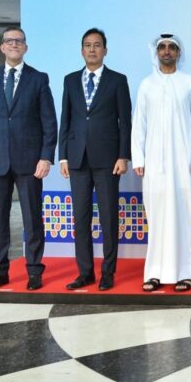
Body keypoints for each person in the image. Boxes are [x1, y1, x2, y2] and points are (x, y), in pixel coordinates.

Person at [0, 26, 57, 291]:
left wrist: (46, 157)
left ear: (25, 47)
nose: (14, 44)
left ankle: (34, 271)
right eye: (9, 41)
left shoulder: (38, 79)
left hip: (30, 162)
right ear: (2, 47)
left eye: (19, 41)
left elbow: (49, 122)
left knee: (33, 218)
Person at [131, 34, 191, 292]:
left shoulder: (190, 83)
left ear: (178, 53)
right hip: (153, 165)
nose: (166, 51)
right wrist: (139, 157)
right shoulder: (147, 85)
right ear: (157, 52)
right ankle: (154, 273)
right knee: (156, 217)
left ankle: (184, 273)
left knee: (183, 216)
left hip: (183, 164)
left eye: (171, 47)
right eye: (162, 47)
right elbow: (138, 125)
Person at [59, 28, 132, 292]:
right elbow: (66, 119)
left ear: (105, 50)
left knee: (109, 218)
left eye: (97, 45)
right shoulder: (70, 80)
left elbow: (125, 122)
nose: (92, 49)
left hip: (108, 160)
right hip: (77, 159)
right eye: (88, 45)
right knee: (80, 219)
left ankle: (108, 273)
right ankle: (85, 273)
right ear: (82, 50)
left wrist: (123, 155)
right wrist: (63, 156)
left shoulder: (117, 80)